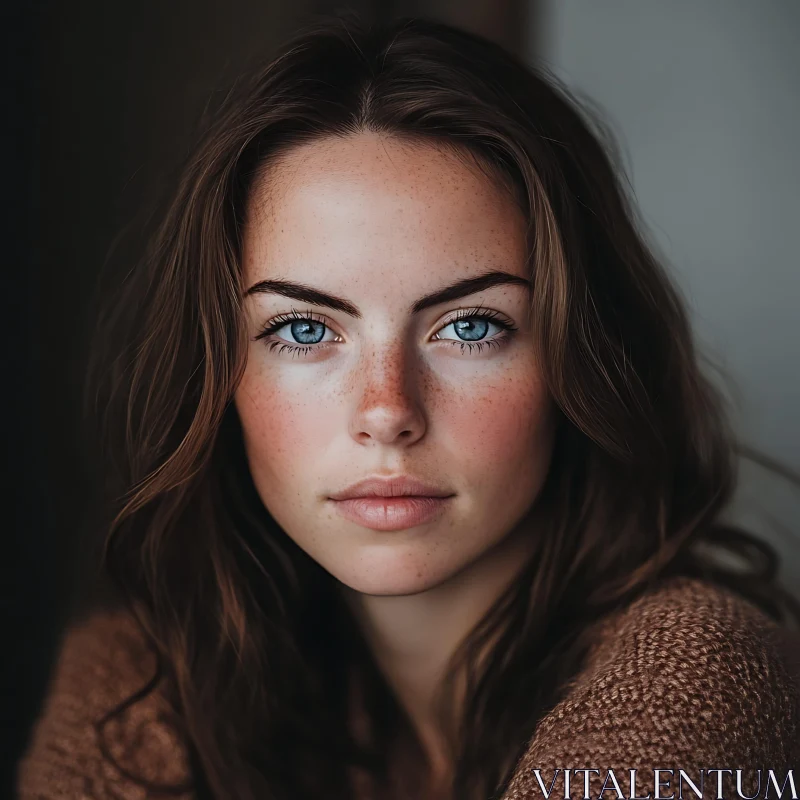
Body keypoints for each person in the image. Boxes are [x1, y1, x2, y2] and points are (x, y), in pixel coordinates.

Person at [17, 13, 800, 800]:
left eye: (469, 326)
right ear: (217, 377)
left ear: (581, 360)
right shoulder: (139, 686)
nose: (387, 411)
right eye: (302, 329)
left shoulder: (697, 676)